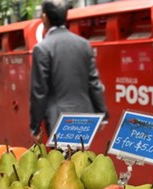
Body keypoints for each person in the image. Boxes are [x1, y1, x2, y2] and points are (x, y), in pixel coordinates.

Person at [29, 0, 107, 141]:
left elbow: (39, 92)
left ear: (44, 18)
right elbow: (94, 82)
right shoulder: (83, 44)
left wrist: (35, 126)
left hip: (59, 119)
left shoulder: (42, 49)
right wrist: (102, 114)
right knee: (83, 159)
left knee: (63, 161)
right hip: (86, 116)